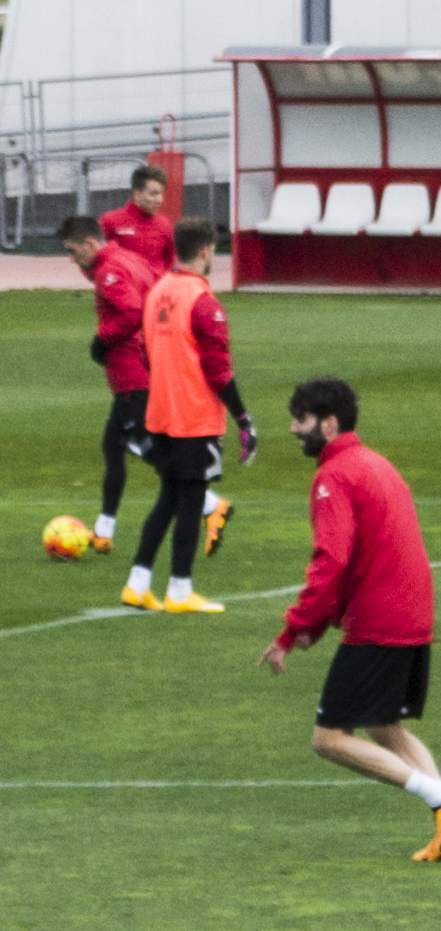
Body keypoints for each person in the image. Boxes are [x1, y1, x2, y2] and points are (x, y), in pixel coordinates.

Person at [258, 377, 441, 863]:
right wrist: (320, 622)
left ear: (329, 423)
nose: (293, 428)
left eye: (301, 419)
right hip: (412, 612)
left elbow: (331, 560)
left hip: (381, 619)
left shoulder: (334, 476)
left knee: (330, 739)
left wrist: (292, 631)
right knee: (385, 727)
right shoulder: (376, 463)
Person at [122, 218, 250, 614]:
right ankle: (180, 590)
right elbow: (218, 371)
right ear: (207, 249)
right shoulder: (204, 302)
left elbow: (145, 354)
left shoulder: (158, 291)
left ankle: (138, 582)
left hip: (160, 414)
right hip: (194, 418)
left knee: (168, 498)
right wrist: (244, 418)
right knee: (191, 502)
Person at [56, 214, 158, 555]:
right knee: (112, 446)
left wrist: (102, 340)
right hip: (143, 363)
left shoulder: (110, 270)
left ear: (89, 243)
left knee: (146, 446)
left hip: (132, 370)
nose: (72, 260)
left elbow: (132, 313)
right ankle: (104, 528)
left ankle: (207, 502)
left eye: (73, 251)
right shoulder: (127, 258)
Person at [99, 165, 177, 272]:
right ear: (137, 193)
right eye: (153, 194)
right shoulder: (110, 221)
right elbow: (98, 259)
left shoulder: (164, 224)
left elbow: (169, 261)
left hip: (156, 288)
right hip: (123, 287)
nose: (160, 200)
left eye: (161, 194)